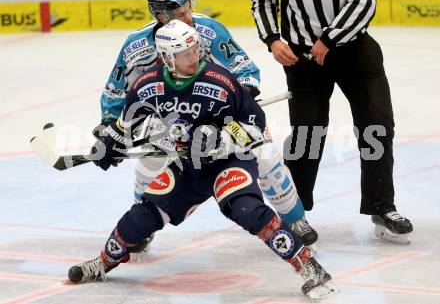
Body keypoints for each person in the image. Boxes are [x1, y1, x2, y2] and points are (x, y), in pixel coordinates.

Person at [68, 20, 336, 299]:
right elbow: (127, 124)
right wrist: (109, 144)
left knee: (247, 210)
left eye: (195, 50)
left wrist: (222, 139)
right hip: (188, 166)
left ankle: (309, 266)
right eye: (186, 54)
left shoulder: (221, 81)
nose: (194, 57)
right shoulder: (147, 85)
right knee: (142, 215)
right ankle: (102, 263)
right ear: (166, 58)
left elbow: (255, 127)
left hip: (229, 160)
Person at [98, 0, 318, 253]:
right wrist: (111, 128)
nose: (188, 18)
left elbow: (245, 70)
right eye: (180, 15)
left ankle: (296, 221)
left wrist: (232, 103)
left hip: (225, 122)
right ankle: (140, 230)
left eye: (188, 10)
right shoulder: (136, 47)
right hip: (171, 127)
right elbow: (115, 93)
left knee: (266, 159)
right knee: (147, 169)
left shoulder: (209, 31)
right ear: (160, 17)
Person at [251, 0, 413, 243]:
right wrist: (272, 39)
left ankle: (382, 206)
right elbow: (262, 0)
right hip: (304, 58)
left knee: (377, 127)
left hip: (356, 51)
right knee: (307, 132)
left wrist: (328, 40)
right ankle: (294, 213)